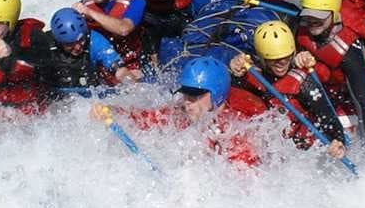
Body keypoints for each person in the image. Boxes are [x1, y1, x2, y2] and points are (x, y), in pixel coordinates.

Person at [93, 56, 269, 166]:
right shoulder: (184, 112)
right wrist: (112, 110)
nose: (187, 102)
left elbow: (246, 180)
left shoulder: (235, 128)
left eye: (195, 96)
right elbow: (145, 119)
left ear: (216, 94)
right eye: (185, 94)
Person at [229, 20, 348, 158]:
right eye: (273, 59)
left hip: (304, 149)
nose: (281, 63)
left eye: (286, 57)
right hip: (273, 148)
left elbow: (329, 118)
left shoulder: (303, 82)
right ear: (262, 58)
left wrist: (338, 141)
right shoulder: (254, 75)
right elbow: (232, 96)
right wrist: (235, 71)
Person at [293, 0, 365, 141]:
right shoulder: (303, 29)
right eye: (309, 16)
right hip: (320, 91)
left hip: (346, 98)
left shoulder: (348, 52)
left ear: (334, 14)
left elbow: (363, 103)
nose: (312, 22)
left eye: (319, 17)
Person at [32, 8, 142, 93]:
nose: (78, 47)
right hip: (54, 96)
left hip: (88, 98)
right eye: (70, 44)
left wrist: (133, 84)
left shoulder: (94, 40)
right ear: (58, 41)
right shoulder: (44, 45)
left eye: (81, 40)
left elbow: (119, 70)